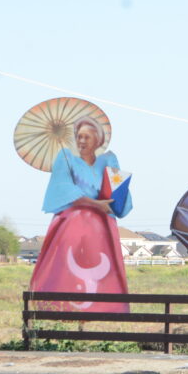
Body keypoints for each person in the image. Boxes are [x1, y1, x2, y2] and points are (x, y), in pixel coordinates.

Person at [29, 117, 131, 312]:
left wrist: (116, 195)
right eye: (79, 136)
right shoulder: (66, 158)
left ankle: (105, 308)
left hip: (102, 228)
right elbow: (63, 188)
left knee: (102, 266)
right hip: (73, 224)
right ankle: (57, 307)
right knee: (66, 266)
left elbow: (118, 194)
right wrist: (94, 204)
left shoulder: (108, 160)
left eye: (87, 137)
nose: (82, 141)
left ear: (98, 140)